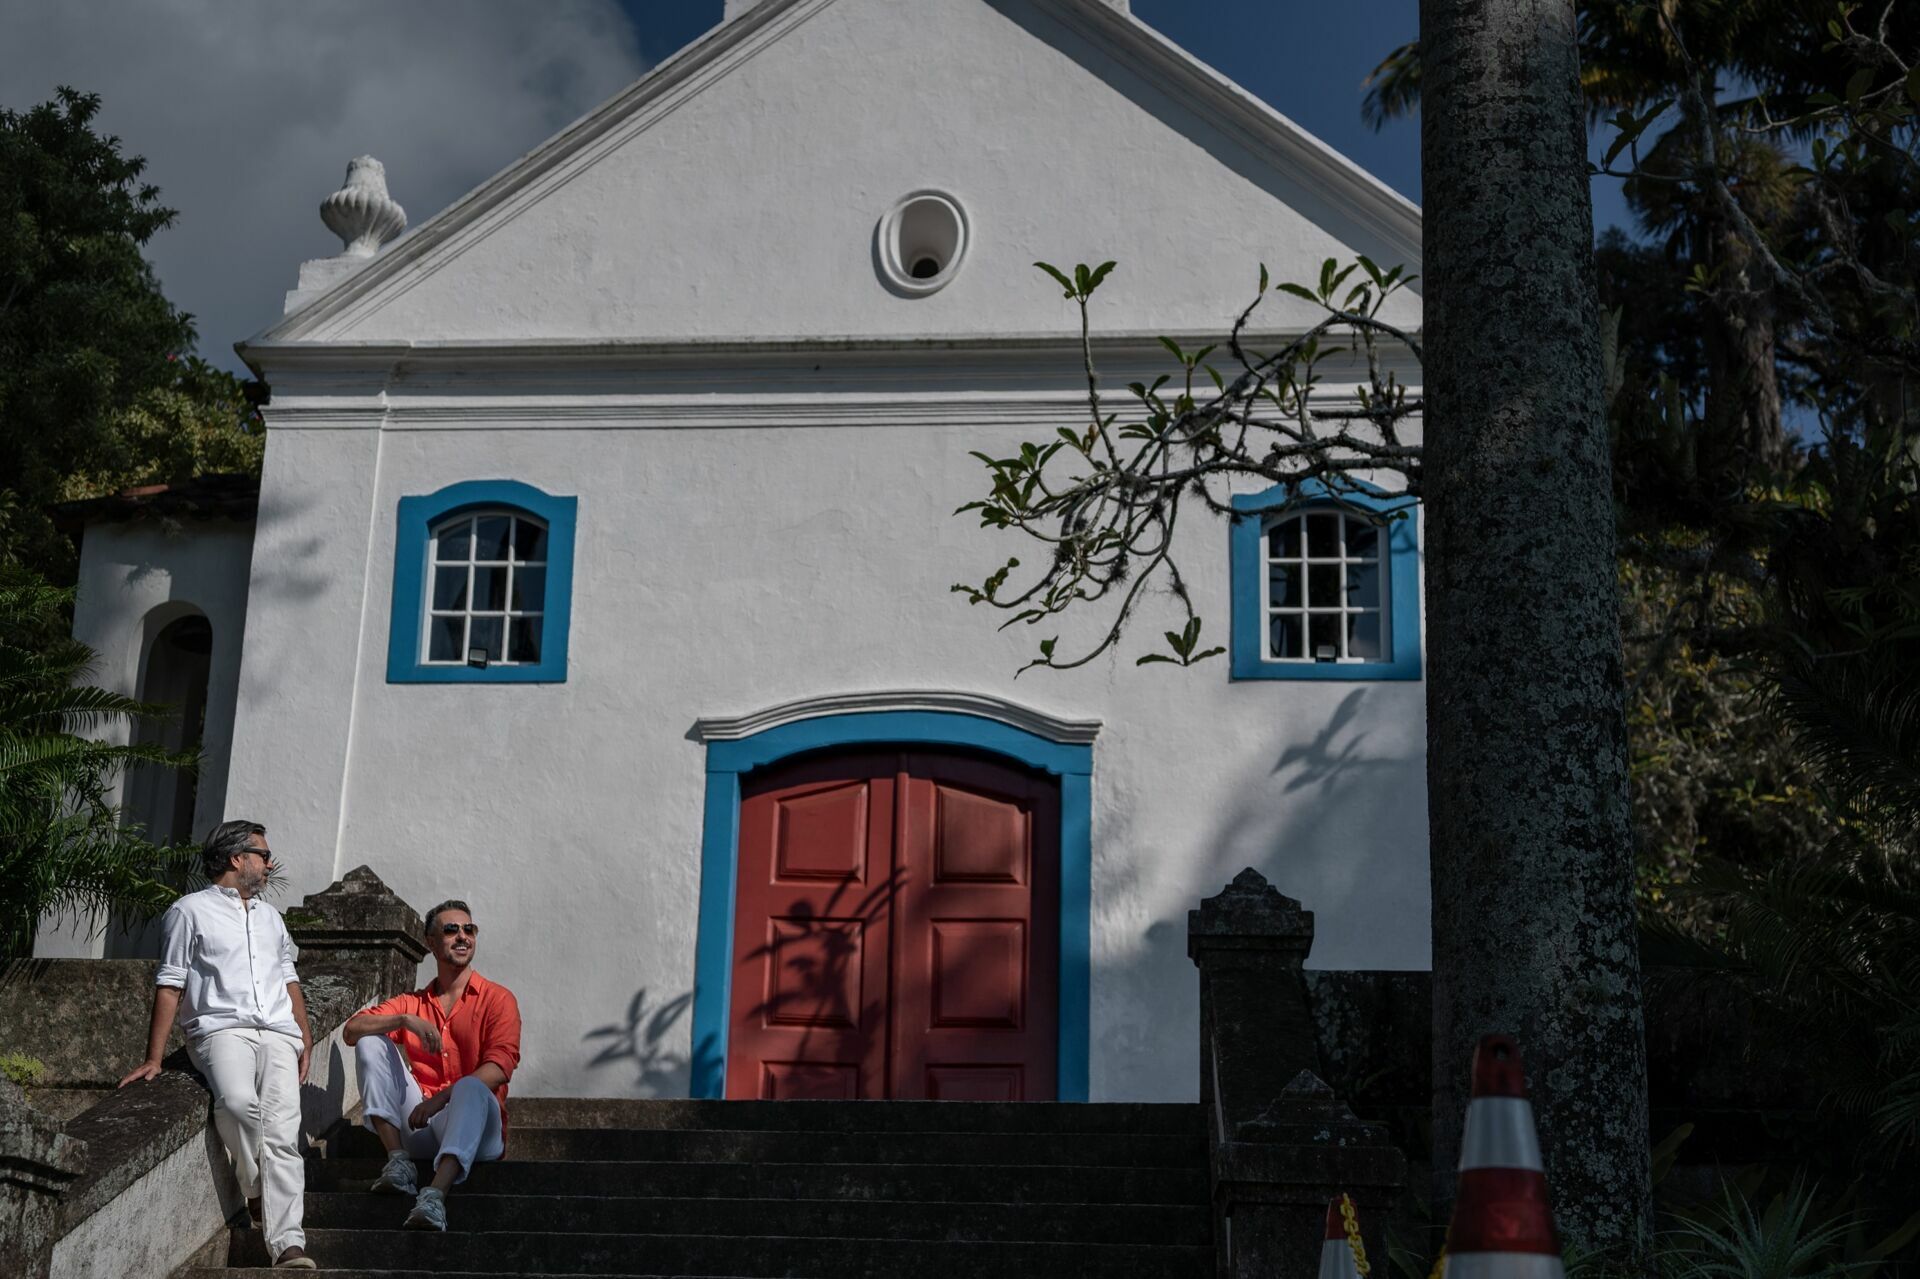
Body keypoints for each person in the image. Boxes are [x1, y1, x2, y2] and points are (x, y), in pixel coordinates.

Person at [120, 820, 316, 1270]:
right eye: (263, 855)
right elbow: (170, 983)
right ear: (236, 858)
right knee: (236, 1103)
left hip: (279, 1034)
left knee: (284, 1136)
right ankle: (256, 1186)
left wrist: (303, 1034)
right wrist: (154, 1058)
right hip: (220, 1030)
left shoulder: (270, 916)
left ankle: (288, 1244)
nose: (270, 863)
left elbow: (290, 978)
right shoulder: (189, 911)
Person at [342, 899, 521, 1231]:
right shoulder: (414, 1003)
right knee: (371, 1040)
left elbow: (501, 1065)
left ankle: (434, 1196)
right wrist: (405, 1019)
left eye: (469, 929)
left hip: (479, 1129)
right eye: (451, 930)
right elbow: (351, 1030)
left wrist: (440, 1099)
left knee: (471, 1084)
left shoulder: (498, 999)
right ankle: (398, 1163)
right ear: (431, 942)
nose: (462, 936)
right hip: (422, 1128)